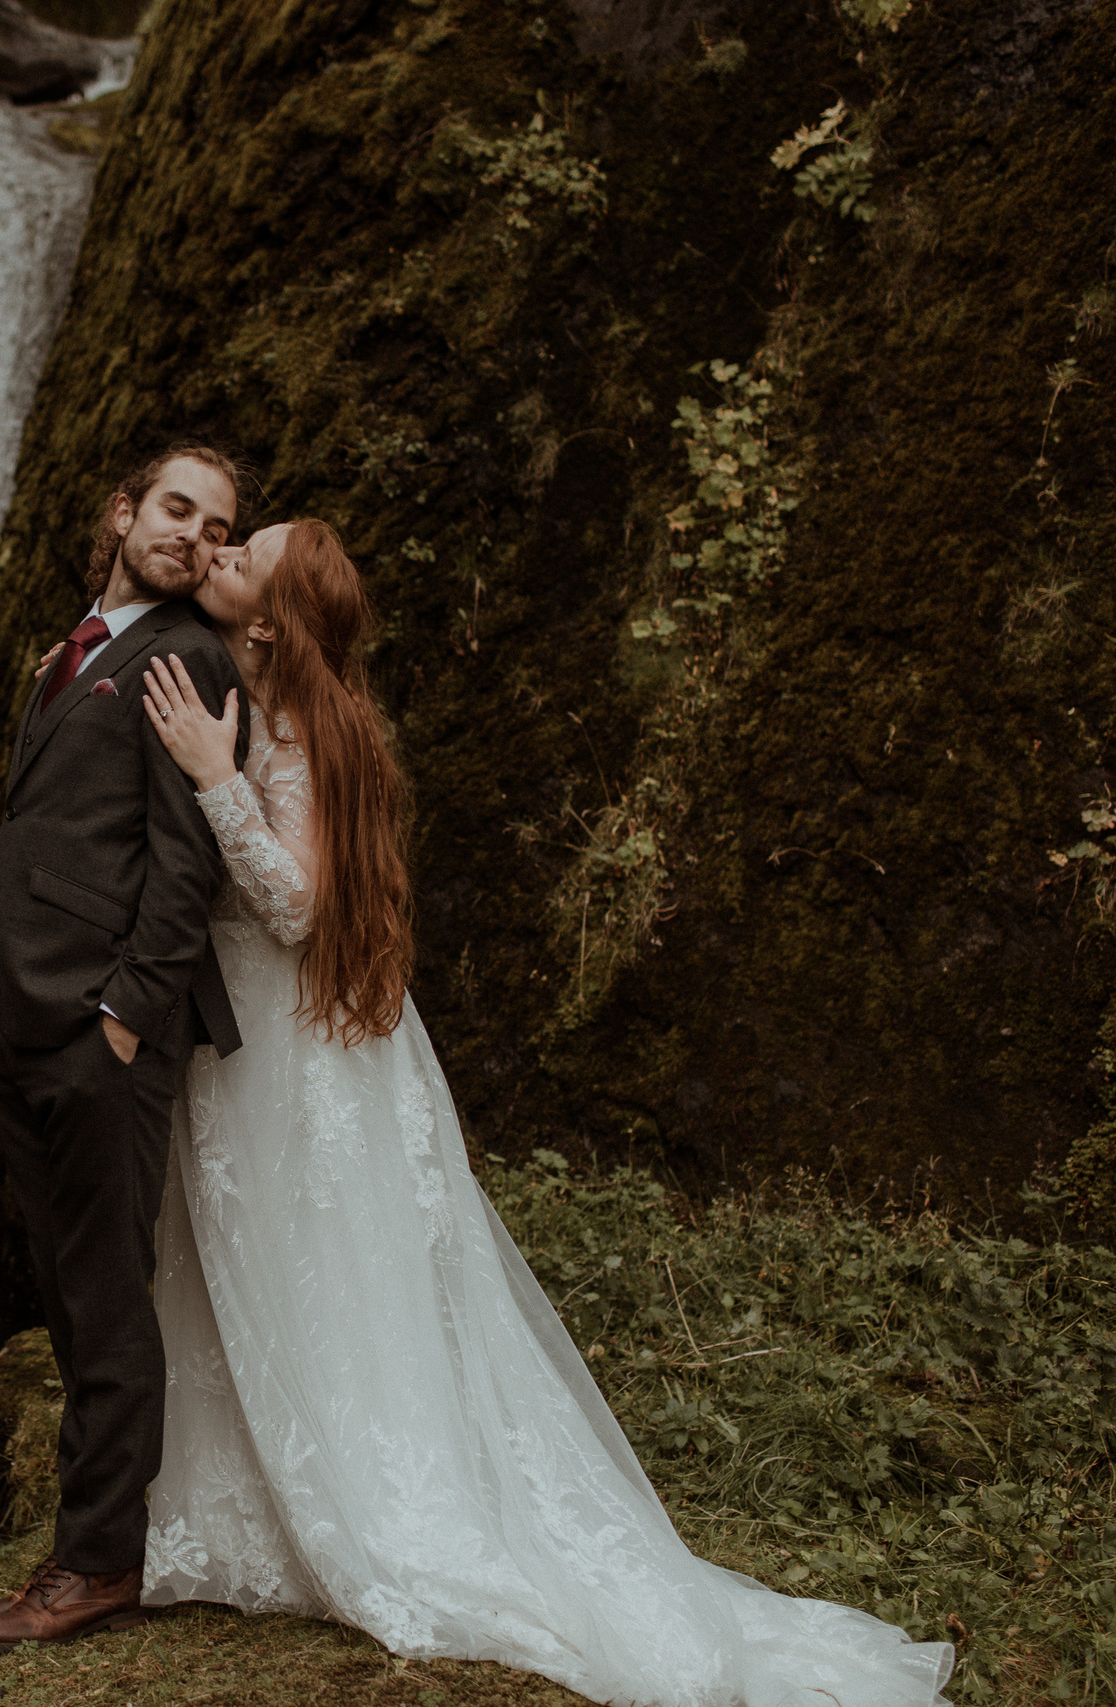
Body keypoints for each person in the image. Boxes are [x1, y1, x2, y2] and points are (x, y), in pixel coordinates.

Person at [127, 519, 957, 1706]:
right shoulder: (278, 703)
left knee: (317, 1269)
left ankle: (359, 1509)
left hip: (294, 1053)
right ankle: (242, 1505)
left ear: (265, 621)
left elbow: (300, 911)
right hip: (280, 1042)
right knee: (281, 1268)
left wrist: (215, 779)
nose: (213, 556)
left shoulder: (304, 732)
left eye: (238, 556)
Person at [0, 445, 253, 1653]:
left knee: (106, 1303)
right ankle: (86, 1543)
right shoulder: (78, 648)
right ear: (125, 512)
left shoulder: (186, 657)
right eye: (175, 507)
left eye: (217, 524)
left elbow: (189, 860)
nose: (191, 533)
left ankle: (96, 1567)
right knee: (74, 1303)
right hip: (21, 1016)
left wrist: (125, 1011)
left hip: (98, 1032)